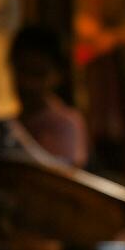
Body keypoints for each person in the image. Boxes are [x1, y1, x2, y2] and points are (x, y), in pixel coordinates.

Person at [9, 25, 89, 167]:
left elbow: (57, 175)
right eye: (22, 70)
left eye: (38, 74)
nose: (28, 83)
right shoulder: (9, 116)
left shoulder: (65, 124)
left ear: (58, 76)